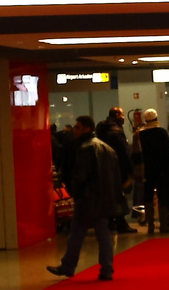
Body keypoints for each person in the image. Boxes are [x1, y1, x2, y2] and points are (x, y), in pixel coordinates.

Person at [48, 115, 125, 281]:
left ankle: (68, 265)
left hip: (88, 198)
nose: (74, 130)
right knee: (103, 234)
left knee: (76, 233)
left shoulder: (85, 148)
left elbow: (80, 176)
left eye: (77, 127)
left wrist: (75, 193)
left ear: (86, 128)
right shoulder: (106, 148)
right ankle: (107, 269)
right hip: (103, 198)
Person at [136, 108, 169, 229]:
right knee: (162, 195)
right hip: (162, 169)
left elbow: (136, 154)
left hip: (147, 170)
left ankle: (150, 225)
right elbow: (168, 153)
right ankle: (164, 224)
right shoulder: (162, 132)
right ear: (156, 119)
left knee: (148, 196)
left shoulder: (139, 134)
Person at [97, 107, 135, 234]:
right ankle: (121, 223)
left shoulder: (102, 128)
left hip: (103, 167)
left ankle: (110, 222)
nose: (124, 118)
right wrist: (130, 169)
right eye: (122, 115)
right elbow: (123, 153)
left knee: (108, 195)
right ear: (117, 114)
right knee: (120, 196)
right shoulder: (117, 131)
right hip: (118, 169)